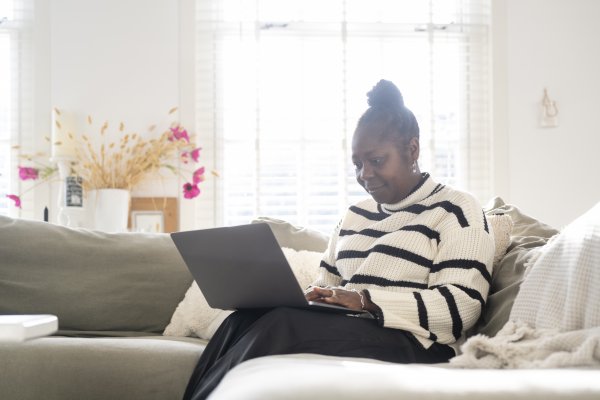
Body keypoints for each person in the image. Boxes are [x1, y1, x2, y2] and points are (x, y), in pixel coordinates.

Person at [183, 79, 495, 400]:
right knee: (242, 320)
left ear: (412, 150)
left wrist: (365, 300)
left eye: (376, 161)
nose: (364, 175)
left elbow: (461, 309)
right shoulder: (354, 215)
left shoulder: (456, 208)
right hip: (349, 327)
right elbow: (326, 285)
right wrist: (313, 297)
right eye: (357, 164)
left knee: (283, 325)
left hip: (417, 342)